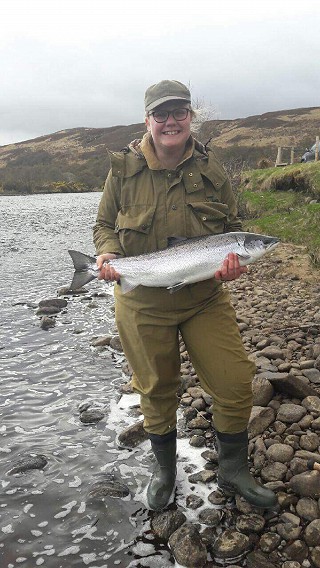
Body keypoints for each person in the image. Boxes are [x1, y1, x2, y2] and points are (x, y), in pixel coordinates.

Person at [93, 80, 277, 511]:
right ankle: (165, 471)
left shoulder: (214, 172)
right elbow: (103, 225)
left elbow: (232, 226)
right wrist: (106, 255)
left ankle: (233, 471)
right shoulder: (122, 170)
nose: (171, 121)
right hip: (141, 301)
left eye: (179, 112)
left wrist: (232, 267)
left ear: (191, 117)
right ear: (148, 120)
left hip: (204, 298)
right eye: (162, 114)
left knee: (234, 381)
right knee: (156, 389)